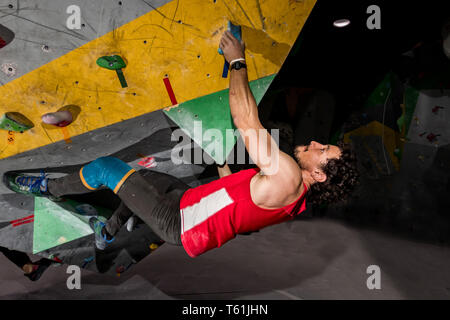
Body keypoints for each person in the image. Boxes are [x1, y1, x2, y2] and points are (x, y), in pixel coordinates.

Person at [3, 31, 359, 257]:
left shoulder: (288, 176)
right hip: (188, 204)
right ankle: (106, 234)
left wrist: (236, 60)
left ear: (321, 174)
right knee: (141, 185)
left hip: (178, 221)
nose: (316, 142)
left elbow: (247, 121)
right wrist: (226, 178)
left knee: (106, 169)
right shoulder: (295, 202)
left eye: (324, 151)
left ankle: (47, 187)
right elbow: (245, 216)